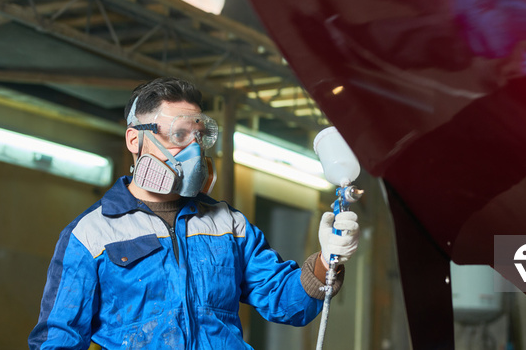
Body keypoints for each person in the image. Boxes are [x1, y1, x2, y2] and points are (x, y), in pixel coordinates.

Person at [29, 77, 360, 349]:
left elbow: (288, 303)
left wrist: (327, 260)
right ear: (134, 139)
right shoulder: (92, 234)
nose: (193, 150)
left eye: (198, 137)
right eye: (178, 135)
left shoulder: (229, 225)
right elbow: (58, 340)